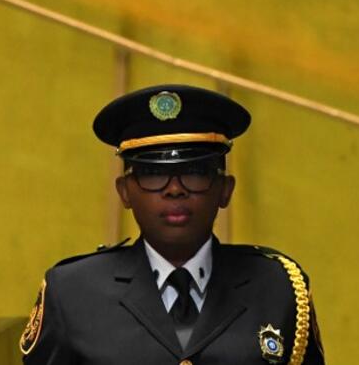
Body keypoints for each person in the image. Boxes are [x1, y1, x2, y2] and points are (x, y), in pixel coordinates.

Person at [19, 84, 324, 364]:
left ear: (225, 189)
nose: (174, 189)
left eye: (195, 171)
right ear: (124, 192)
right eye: (153, 173)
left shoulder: (277, 286)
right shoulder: (72, 293)